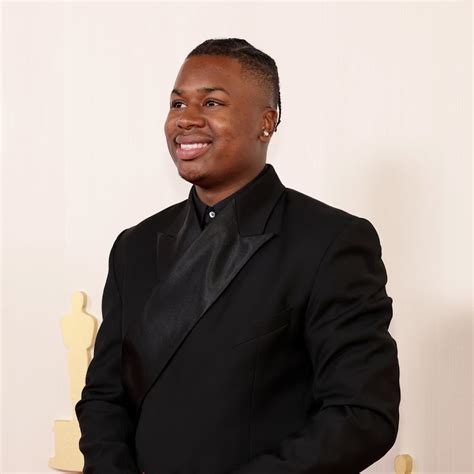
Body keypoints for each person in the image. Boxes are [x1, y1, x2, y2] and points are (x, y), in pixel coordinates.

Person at [75, 38, 400, 474]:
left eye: (211, 102)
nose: (186, 118)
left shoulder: (330, 242)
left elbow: (362, 416)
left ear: (266, 122)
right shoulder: (134, 246)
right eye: (177, 103)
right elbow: (104, 398)